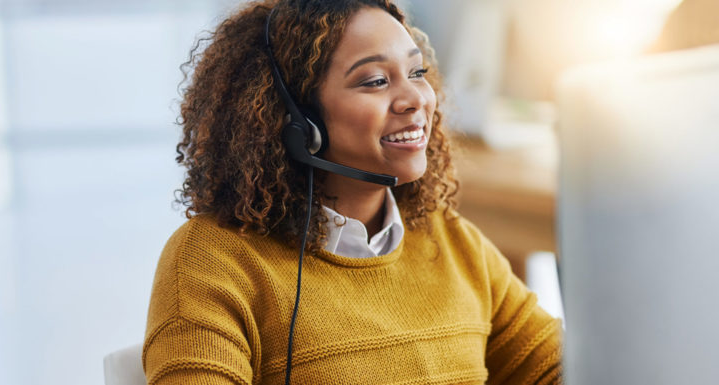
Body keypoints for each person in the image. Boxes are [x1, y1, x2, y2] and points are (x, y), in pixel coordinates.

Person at [142, 1, 563, 384]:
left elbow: (561, 369)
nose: (415, 99)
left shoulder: (451, 241)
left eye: (416, 73)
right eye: (376, 80)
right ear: (296, 123)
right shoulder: (210, 263)